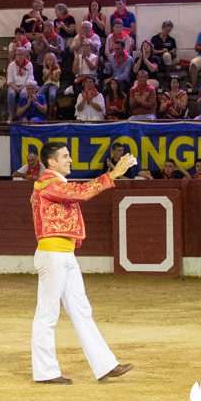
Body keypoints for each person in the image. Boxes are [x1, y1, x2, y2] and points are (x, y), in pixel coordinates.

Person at [30, 140, 135, 384]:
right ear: (51, 161)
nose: (70, 160)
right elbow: (82, 192)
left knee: (81, 310)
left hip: (65, 254)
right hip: (53, 254)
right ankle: (45, 372)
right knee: (47, 312)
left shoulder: (55, 183)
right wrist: (112, 175)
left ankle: (105, 365)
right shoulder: (48, 182)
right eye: (65, 156)